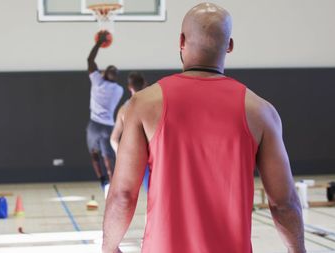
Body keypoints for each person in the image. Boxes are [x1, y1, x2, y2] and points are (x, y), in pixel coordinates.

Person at [102, 3, 305, 253]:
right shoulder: (261, 112)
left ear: (181, 41)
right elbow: (284, 203)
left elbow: (122, 195)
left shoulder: (143, 105)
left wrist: (109, 247)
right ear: (229, 45)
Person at [86, 31, 124, 196]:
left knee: (94, 154)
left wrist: (98, 43)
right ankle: (112, 185)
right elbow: (107, 75)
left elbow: (90, 60)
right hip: (109, 126)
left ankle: (102, 180)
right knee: (107, 156)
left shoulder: (97, 81)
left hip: (94, 124)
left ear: (104, 74)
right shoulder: (119, 90)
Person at [110, 72, 150, 192]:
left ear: (129, 87)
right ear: (145, 84)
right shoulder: (152, 105)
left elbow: (113, 139)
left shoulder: (123, 110)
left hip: (134, 158)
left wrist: (122, 155)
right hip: (151, 156)